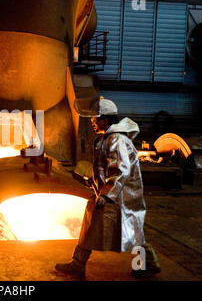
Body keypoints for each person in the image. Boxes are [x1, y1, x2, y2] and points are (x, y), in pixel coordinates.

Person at [55, 98, 161, 279]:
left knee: (129, 232)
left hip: (119, 196)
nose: (92, 122)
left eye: (95, 118)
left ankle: (79, 265)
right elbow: (108, 168)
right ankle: (145, 264)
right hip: (120, 195)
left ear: (105, 120)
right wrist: (95, 183)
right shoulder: (110, 138)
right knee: (124, 230)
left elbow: (121, 169)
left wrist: (105, 194)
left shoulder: (116, 140)